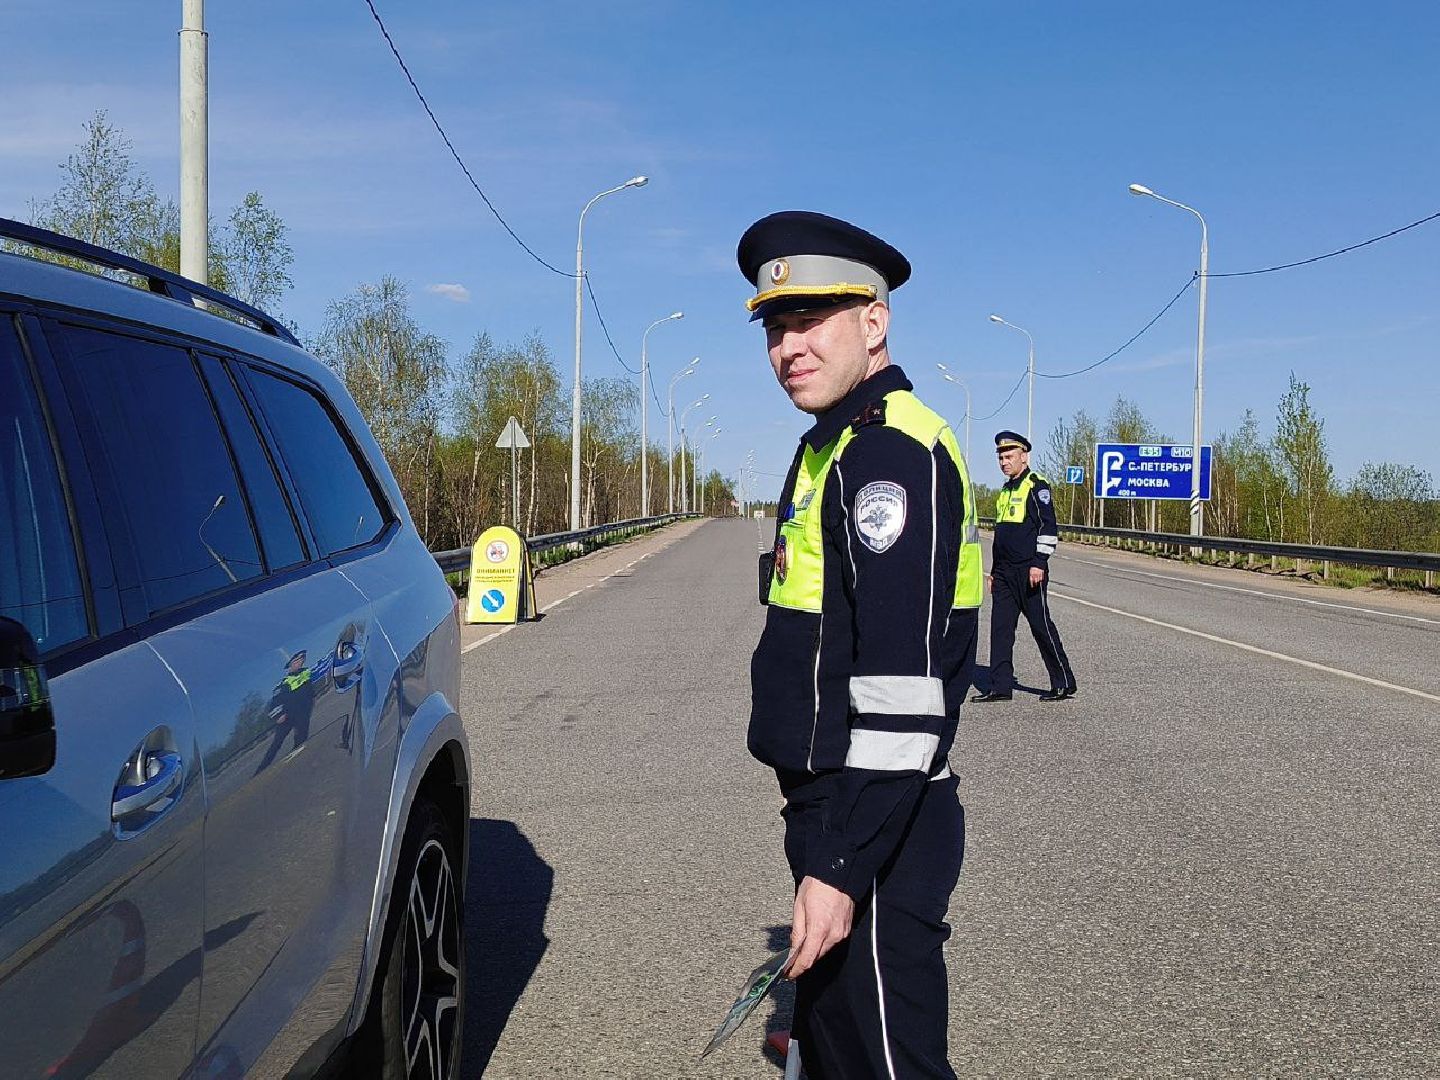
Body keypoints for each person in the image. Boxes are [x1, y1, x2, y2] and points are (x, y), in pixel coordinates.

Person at [741, 210, 982, 1079]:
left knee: (891, 1062)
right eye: (775, 327)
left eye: (810, 322)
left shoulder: (889, 456)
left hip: (878, 819)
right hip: (836, 810)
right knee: (836, 1049)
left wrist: (841, 866)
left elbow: (903, 689)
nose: (787, 347)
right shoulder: (831, 447)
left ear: (873, 323)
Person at [971, 431, 1077, 703]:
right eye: (1001, 458)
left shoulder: (1036, 486)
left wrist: (1039, 563)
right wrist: (994, 572)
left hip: (1029, 570)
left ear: (1024, 456)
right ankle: (1000, 686)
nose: (1004, 462)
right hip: (1005, 573)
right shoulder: (1006, 490)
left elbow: (1048, 527)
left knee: (1041, 626)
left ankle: (1063, 682)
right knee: (1000, 629)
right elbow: (1001, 536)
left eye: (1009, 457)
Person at [256, 649, 316, 773]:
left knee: (301, 739)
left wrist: (309, 705)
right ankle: (261, 771)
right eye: (296, 660)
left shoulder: (306, 673)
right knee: (276, 744)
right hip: (286, 718)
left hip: (302, 715)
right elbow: (274, 703)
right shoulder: (283, 683)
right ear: (290, 664)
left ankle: (297, 765)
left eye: (301, 660)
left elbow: (311, 689)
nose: (299, 663)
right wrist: (278, 715)